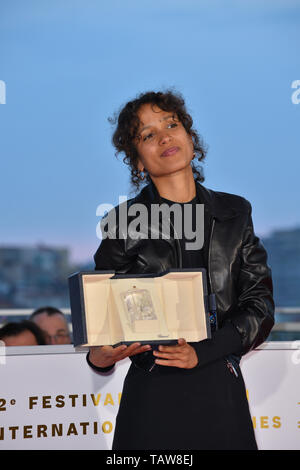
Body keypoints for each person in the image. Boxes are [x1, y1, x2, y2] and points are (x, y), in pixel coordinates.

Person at [87, 90, 274, 450]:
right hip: (153, 396)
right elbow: (101, 320)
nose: (163, 137)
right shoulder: (123, 224)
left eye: (171, 124)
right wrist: (100, 355)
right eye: (147, 134)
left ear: (191, 139)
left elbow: (260, 306)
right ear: (137, 161)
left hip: (220, 387)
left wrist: (203, 352)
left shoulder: (235, 213)